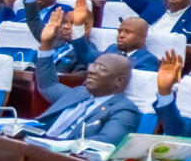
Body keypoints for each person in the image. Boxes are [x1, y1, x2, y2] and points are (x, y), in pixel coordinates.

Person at [32, 9, 139, 144]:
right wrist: (46, 44)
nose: (92, 71)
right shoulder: (79, 93)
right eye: (93, 65)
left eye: (101, 68)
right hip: (36, 145)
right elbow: (48, 85)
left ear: (119, 81)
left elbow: (106, 141)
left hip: (64, 157)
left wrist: (58, 144)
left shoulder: (124, 109)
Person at [66, 0, 159, 71]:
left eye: (128, 32)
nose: (121, 35)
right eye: (120, 31)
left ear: (142, 38)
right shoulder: (113, 48)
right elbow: (85, 55)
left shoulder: (148, 60)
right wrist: (78, 25)